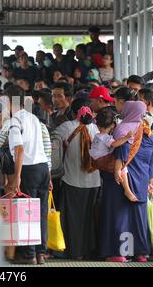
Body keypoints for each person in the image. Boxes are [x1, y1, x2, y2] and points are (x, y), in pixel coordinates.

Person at [100, 101, 153, 263]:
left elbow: (122, 152)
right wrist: (150, 181)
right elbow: (152, 160)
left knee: (120, 217)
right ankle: (140, 253)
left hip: (122, 180)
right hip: (142, 181)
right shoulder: (146, 132)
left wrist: (117, 171)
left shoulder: (123, 129)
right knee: (137, 219)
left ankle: (119, 253)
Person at [4, 85, 50, 265]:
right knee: (41, 212)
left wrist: (17, 176)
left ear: (9, 101)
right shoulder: (33, 118)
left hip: (28, 169)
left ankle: (29, 255)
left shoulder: (15, 121)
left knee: (27, 213)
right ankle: (41, 254)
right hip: (43, 168)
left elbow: (20, 149)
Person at [55, 99, 101, 260]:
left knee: (73, 219)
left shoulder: (65, 128)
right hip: (94, 182)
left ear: (73, 113)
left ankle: (74, 252)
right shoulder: (96, 129)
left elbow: (53, 142)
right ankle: (90, 251)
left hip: (71, 180)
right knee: (90, 220)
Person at [91, 108, 136, 202]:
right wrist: (126, 137)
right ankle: (127, 190)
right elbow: (115, 144)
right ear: (112, 125)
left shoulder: (97, 136)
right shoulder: (106, 137)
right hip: (104, 160)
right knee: (123, 168)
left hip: (96, 160)